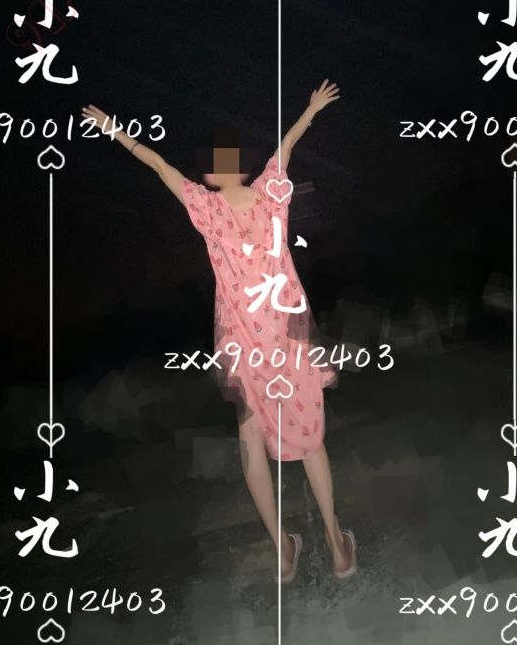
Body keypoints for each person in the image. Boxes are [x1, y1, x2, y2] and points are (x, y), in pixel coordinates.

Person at [81, 80, 356, 581]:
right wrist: (312, 108)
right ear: (245, 167)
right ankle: (338, 548)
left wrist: (113, 130)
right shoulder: (271, 194)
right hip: (288, 338)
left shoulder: (205, 209)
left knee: (250, 439)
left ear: (209, 174)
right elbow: (288, 145)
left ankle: (282, 554)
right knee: (312, 441)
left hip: (243, 346)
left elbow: (157, 163)